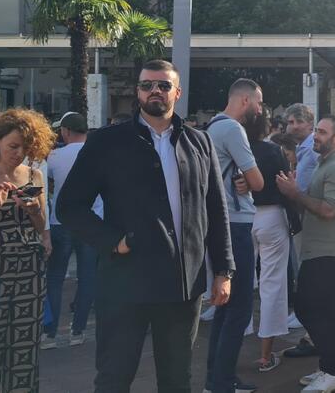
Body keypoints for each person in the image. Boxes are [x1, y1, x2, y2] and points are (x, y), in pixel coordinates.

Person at [58, 60, 234, 393]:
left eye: (164, 85)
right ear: (137, 92)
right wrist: (114, 241)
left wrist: (224, 270)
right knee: (114, 378)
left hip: (182, 285)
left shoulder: (199, 142)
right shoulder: (106, 142)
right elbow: (70, 207)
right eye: (147, 85)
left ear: (177, 92)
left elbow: (216, 208)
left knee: (177, 380)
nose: (155, 91)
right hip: (126, 282)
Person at [277, 116, 335, 393]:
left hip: (329, 249)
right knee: (310, 307)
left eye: (322, 132)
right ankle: (329, 366)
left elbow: (330, 210)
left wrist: (295, 194)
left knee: (319, 309)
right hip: (316, 249)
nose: (316, 136)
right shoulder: (326, 163)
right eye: (317, 131)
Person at [0, 108, 53, 392]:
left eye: (25, 147)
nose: (19, 153)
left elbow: (40, 225)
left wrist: (33, 211)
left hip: (28, 271)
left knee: (25, 343)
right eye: (13, 146)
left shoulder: (34, 175)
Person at [204, 78, 266, 393]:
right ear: (244, 100)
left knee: (225, 306)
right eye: (259, 102)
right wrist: (247, 179)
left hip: (221, 223)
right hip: (237, 224)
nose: (260, 109)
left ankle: (217, 377)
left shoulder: (212, 127)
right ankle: (221, 382)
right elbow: (258, 182)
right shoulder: (232, 129)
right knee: (239, 307)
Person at [43, 111, 101, 350]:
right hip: (91, 223)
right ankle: (78, 331)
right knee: (88, 278)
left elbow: (44, 182)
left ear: (65, 131)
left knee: (55, 278)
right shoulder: (99, 154)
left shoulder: (54, 156)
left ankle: (49, 333)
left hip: (61, 222)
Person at [245, 112, 292, 373]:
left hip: (242, 216)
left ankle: (232, 342)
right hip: (272, 215)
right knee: (273, 283)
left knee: (240, 281)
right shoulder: (274, 151)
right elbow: (286, 184)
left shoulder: (234, 149)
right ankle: (266, 354)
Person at [282, 104, 322, 359]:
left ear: (310, 123)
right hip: (305, 219)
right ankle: (311, 332)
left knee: (310, 277)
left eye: (298, 121)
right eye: (290, 122)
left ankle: (313, 334)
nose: (294, 126)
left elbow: (308, 189)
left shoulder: (313, 150)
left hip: (312, 220)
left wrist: (291, 189)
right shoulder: (303, 150)